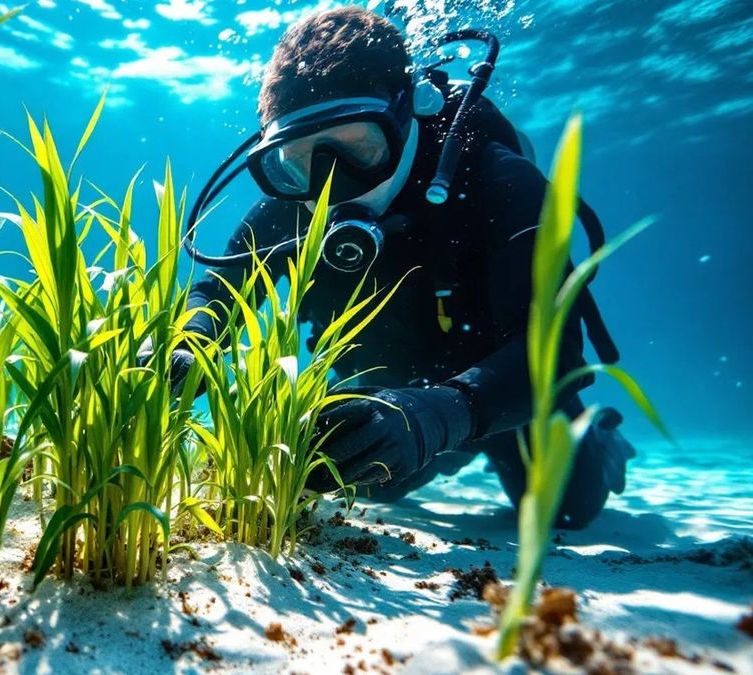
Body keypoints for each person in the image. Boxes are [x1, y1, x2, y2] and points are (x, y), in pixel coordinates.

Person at [173, 7, 636, 529]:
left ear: (408, 113)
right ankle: (445, 447)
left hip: (500, 393)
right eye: (300, 160)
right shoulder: (292, 201)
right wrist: (187, 345)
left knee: (566, 508)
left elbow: (555, 349)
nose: (331, 185)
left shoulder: (501, 181)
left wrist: (440, 415)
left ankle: (601, 439)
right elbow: (219, 292)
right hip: (390, 395)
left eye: (360, 149)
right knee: (366, 486)